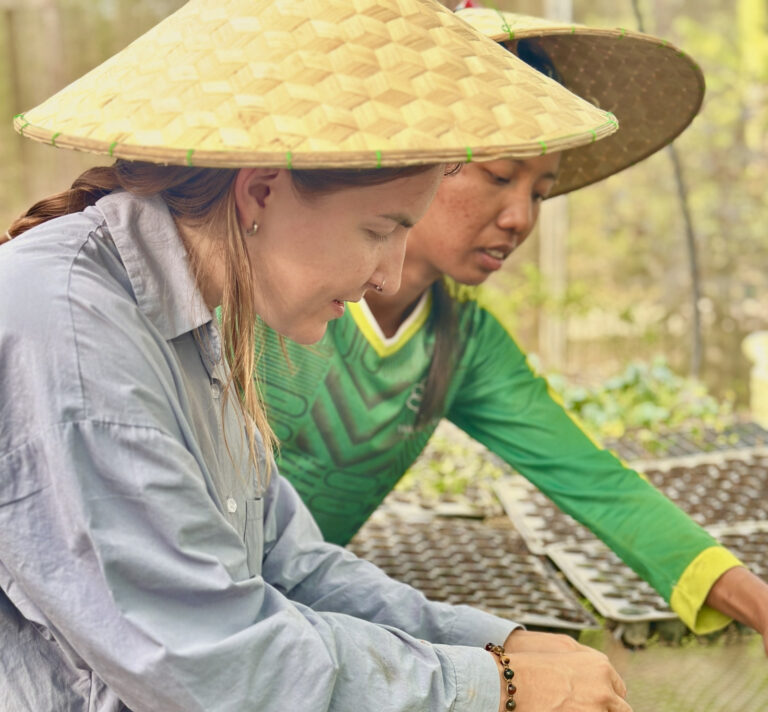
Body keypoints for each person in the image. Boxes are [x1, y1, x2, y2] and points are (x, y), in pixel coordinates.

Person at [0, 1, 632, 712]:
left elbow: (289, 561)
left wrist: (498, 639)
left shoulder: (195, 327)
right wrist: (494, 692)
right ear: (259, 192)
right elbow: (219, 657)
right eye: (381, 230)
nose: (390, 273)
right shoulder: (65, 334)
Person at [263, 5, 768, 655]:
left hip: (297, 618)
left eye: (539, 192)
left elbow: (596, 483)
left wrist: (755, 601)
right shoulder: (279, 302)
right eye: (500, 177)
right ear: (421, 161)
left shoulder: (461, 345)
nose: (519, 217)